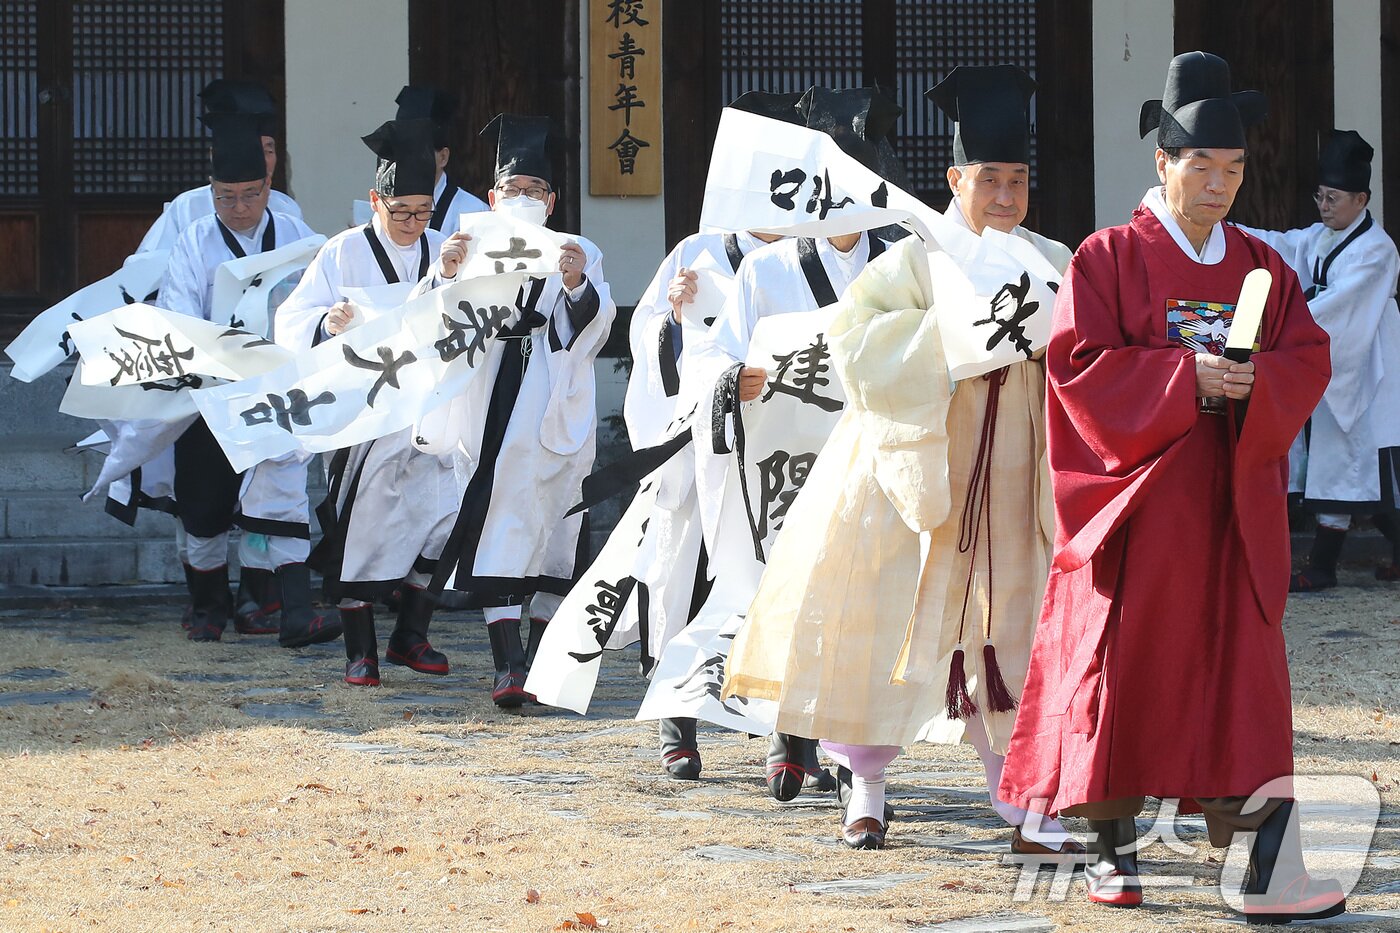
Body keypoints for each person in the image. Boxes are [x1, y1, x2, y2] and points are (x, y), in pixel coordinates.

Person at [997, 52, 1344, 922]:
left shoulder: (1263, 263)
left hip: (1230, 506)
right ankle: (1115, 859)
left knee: (1248, 679)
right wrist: (1185, 379)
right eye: (1202, 167)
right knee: (1124, 675)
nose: (1220, 185)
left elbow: (1305, 356)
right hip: (1140, 510)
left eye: (1233, 169)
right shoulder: (1109, 257)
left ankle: (1269, 872)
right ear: (1162, 163)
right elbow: (1077, 368)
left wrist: (1254, 384)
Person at [722, 65, 1082, 857]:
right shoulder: (914, 261)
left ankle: (1018, 788)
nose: (1004, 196)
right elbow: (859, 346)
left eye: (1017, 180)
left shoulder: (1052, 257)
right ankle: (868, 786)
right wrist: (954, 335)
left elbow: (1083, 351)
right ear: (956, 179)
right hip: (909, 469)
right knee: (882, 618)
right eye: (989, 179)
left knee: (1011, 625)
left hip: (1019, 474)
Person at [701, 86, 906, 802]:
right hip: (790, 457)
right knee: (795, 591)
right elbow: (719, 354)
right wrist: (737, 379)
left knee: (864, 600)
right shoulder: (768, 269)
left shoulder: (903, 262)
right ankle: (790, 736)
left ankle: (855, 751)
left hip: (874, 455)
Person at [620, 90, 795, 780]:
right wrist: (670, 319)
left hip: (783, 446)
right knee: (689, 576)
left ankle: (792, 731)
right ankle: (680, 717)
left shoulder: (815, 253)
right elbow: (648, 344)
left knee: (783, 582)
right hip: (707, 446)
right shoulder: (699, 251)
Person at [422, 114, 616, 709]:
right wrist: (446, 274)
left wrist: (578, 285)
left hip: (552, 391)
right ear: (492, 197)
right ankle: (508, 665)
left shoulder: (579, 250)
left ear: (552, 200)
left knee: (556, 520)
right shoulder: (467, 243)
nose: (524, 199)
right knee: (497, 514)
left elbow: (597, 324)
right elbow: (433, 324)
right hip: (489, 390)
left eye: (535, 191)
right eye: (513, 190)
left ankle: (545, 661)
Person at [278, 117, 471, 686]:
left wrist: (454, 277)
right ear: (375, 201)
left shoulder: (445, 248)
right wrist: (324, 321)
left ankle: (411, 634)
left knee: (441, 519)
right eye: (401, 212)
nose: (413, 224)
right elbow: (291, 317)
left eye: (423, 212)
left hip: (432, 409)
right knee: (362, 524)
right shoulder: (342, 252)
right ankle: (359, 651)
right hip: (364, 411)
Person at [155, 109, 330, 646]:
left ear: (269, 185)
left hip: (277, 395)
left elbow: (317, 305)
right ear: (211, 190)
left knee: (278, 499)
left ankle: (274, 603)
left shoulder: (299, 237)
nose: (239, 207)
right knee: (203, 508)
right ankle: (209, 604)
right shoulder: (194, 240)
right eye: (226, 196)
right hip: (211, 396)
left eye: (250, 194)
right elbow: (177, 313)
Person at [1236, 130, 1400, 590]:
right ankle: (1326, 565)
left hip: (1368, 359)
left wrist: (1281, 326)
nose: (1324, 206)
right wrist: (1231, 230)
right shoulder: (1321, 236)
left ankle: (1324, 566)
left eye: (1334, 198)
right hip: (1334, 351)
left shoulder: (1376, 250)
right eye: (1320, 196)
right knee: (1344, 460)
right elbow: (1282, 246)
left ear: (1361, 199)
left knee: (1360, 460)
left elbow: (1343, 305)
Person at [138, 79, 302, 254]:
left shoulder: (287, 209)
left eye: (268, 150)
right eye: (251, 151)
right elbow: (148, 267)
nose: (259, 161)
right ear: (214, 155)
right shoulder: (187, 207)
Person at [392, 85, 489, 236]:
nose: (410, 160)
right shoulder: (387, 206)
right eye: (403, 150)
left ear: (443, 157)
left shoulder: (473, 212)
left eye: (420, 151)